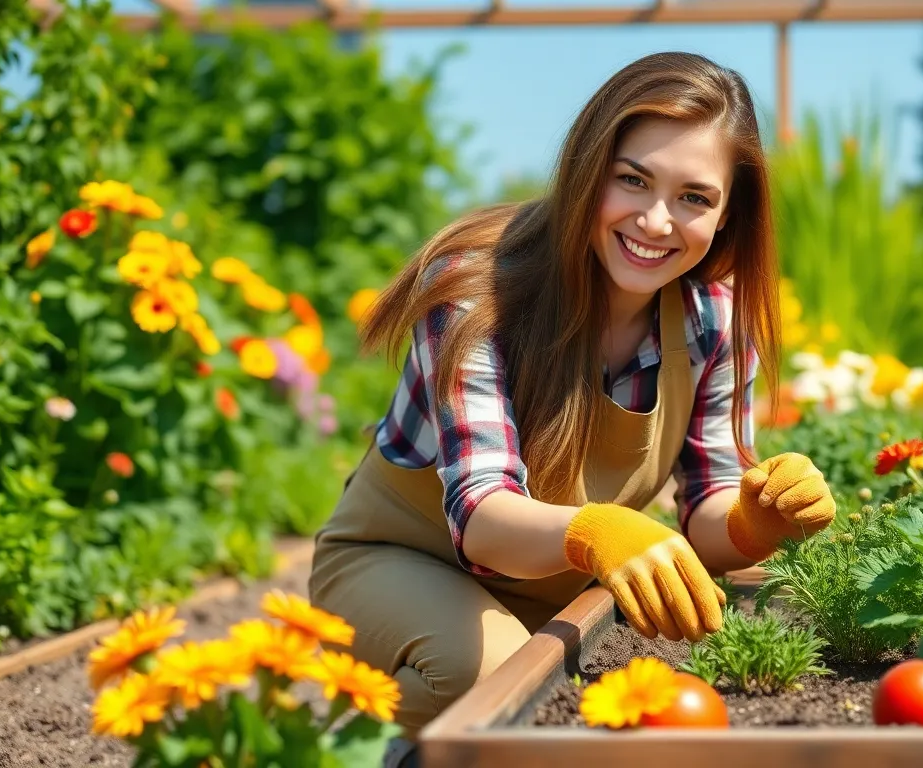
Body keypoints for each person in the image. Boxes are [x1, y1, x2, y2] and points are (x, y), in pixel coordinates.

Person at [309, 51, 837, 749]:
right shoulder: (477, 292)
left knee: (545, 686)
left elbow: (708, 502)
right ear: (590, 169)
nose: (656, 221)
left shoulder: (714, 322)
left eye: (694, 198)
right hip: (402, 561)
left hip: (555, 589)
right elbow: (481, 513)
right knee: (488, 678)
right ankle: (335, 747)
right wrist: (597, 530)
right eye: (633, 180)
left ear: (726, 215)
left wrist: (751, 521)